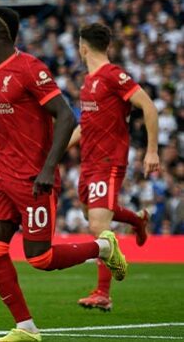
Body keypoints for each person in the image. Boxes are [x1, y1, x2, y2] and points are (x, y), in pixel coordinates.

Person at [0, 8, 127, 342]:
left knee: (41, 258)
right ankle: (26, 327)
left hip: (33, 176)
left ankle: (102, 248)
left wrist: (49, 168)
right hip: (1, 175)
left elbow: (65, 117)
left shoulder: (31, 68)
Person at [69, 22, 159, 311]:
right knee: (91, 214)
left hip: (109, 160)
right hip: (89, 161)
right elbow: (85, 125)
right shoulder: (88, 81)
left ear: (83, 47)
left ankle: (102, 293)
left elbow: (149, 106)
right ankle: (136, 220)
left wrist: (152, 151)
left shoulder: (113, 75)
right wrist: (56, 152)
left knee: (98, 226)